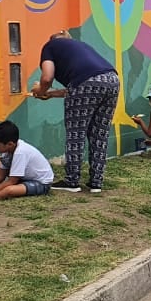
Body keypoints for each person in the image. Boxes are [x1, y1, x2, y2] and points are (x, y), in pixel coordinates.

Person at [32, 31, 119, 193]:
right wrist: (49, 94)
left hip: (85, 84)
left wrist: (40, 90)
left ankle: (72, 181)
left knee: (76, 133)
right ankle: (96, 182)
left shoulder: (50, 46)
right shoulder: (81, 46)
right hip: (112, 80)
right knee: (100, 134)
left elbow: (46, 78)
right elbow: (77, 88)